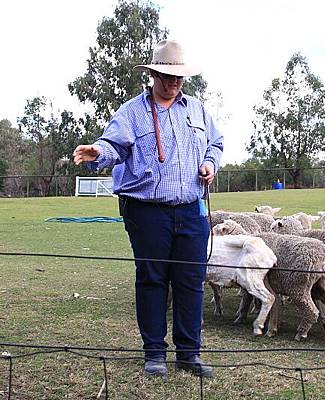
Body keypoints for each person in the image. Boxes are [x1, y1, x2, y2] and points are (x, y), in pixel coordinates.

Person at [73, 40, 223, 378]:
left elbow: (215, 142)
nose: (173, 83)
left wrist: (210, 163)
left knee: (191, 281)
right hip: (146, 210)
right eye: (167, 77)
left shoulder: (197, 110)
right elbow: (113, 144)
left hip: (191, 209)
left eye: (178, 78)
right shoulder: (132, 112)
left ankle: (189, 354)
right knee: (153, 279)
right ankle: (154, 354)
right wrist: (98, 152)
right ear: (153, 74)